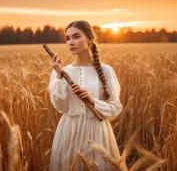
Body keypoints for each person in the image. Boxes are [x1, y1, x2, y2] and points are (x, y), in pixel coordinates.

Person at [48, 20, 126, 171]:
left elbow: (115, 108)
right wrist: (58, 75)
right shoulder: (62, 72)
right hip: (69, 132)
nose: (71, 42)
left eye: (76, 36)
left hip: (97, 133)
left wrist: (94, 101)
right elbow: (60, 106)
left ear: (89, 39)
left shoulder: (106, 70)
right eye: (68, 38)